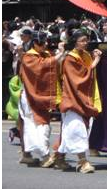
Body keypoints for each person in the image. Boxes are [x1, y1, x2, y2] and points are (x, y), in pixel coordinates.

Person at [18, 30, 66, 166]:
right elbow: (42, 66)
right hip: (29, 96)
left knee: (44, 126)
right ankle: (44, 155)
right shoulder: (29, 57)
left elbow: (53, 66)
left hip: (42, 96)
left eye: (46, 42)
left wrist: (61, 55)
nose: (45, 45)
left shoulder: (45, 54)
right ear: (34, 43)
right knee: (32, 125)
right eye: (42, 42)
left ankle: (37, 154)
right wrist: (58, 55)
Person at [58, 30, 102, 173]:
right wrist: (95, 62)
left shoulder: (85, 55)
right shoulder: (70, 58)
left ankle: (58, 158)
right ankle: (82, 162)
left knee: (69, 131)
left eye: (86, 40)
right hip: (73, 98)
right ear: (75, 42)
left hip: (82, 98)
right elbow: (78, 78)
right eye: (82, 40)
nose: (85, 43)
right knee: (77, 130)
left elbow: (87, 72)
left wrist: (94, 57)